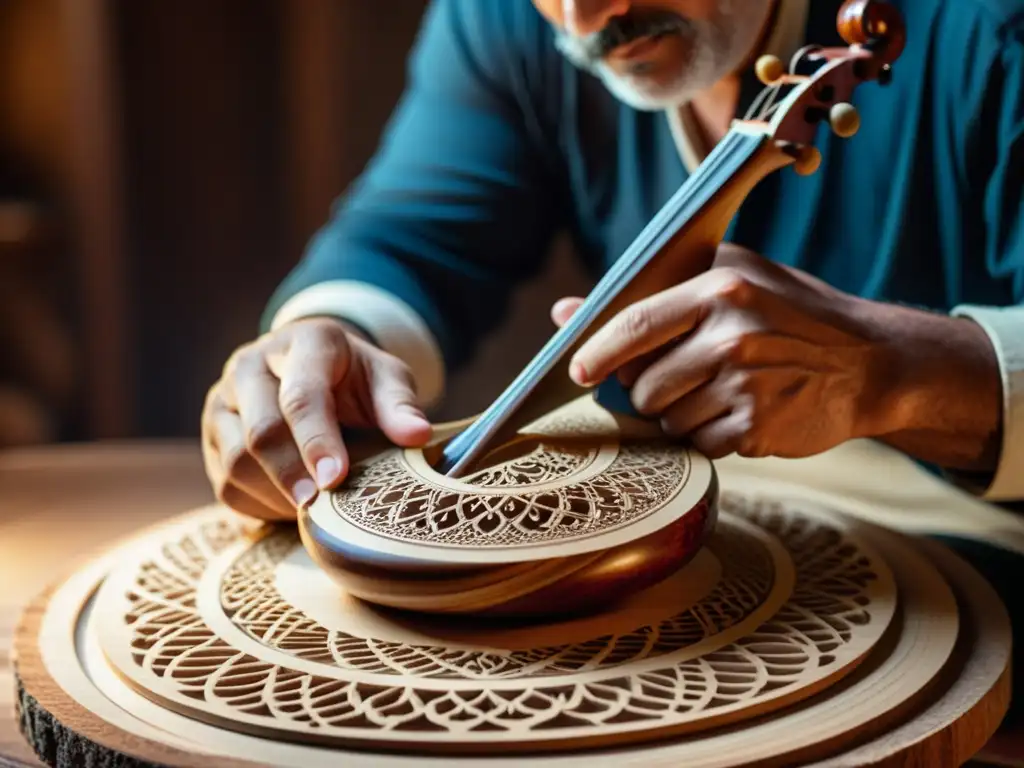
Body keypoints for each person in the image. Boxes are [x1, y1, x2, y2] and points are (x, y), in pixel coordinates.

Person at [201, 0, 1024, 521]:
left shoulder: (993, 28)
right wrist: (322, 342)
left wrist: (895, 372)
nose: (585, 17)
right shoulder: (513, 19)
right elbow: (406, 237)